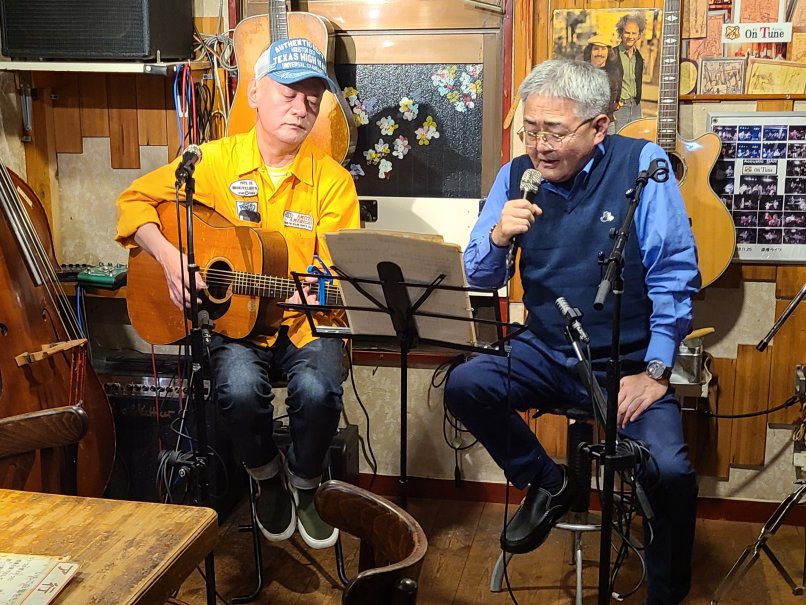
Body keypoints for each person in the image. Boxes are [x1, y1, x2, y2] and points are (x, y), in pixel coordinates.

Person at [445, 59, 700, 605]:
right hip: (546, 350)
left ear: (599, 126)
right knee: (466, 384)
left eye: (554, 132)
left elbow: (674, 273)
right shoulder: (515, 176)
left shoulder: (643, 166)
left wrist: (656, 372)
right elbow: (480, 276)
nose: (540, 146)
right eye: (530, 130)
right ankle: (549, 482)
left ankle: (665, 594)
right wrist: (498, 236)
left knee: (670, 471)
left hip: (626, 364)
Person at [116, 38, 360, 549]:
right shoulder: (211, 163)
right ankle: (266, 476)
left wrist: (322, 287)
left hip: (302, 322)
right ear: (254, 93)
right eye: (289, 94)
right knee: (238, 390)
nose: (301, 108)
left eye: (312, 98)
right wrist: (169, 257)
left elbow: (336, 271)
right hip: (236, 324)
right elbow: (134, 201)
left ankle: (305, 481)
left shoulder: (333, 182)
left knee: (318, 392)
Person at [612, 12, 646, 131]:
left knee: (635, 138)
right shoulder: (612, 55)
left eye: (634, 33)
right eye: (627, 32)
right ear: (621, 33)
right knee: (618, 139)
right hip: (619, 108)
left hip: (636, 107)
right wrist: (611, 104)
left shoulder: (639, 57)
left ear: (639, 35)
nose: (630, 36)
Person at [582, 33, 620, 130]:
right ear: (590, 51)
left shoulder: (613, 71)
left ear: (608, 52)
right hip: (586, 124)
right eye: (596, 49)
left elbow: (615, 95)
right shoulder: (582, 70)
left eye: (603, 49)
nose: (599, 53)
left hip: (608, 123)